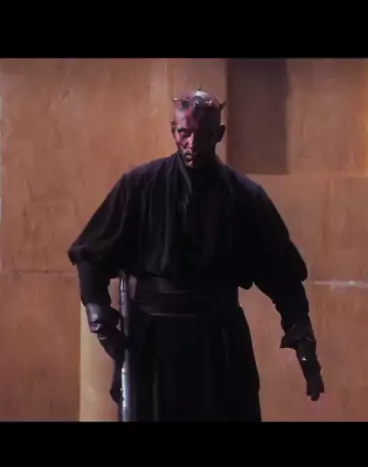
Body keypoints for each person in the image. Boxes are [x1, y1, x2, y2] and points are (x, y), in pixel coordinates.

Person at [67, 88, 324, 422]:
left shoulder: (245, 197)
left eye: (203, 135)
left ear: (219, 134)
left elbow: (283, 276)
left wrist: (305, 347)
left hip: (218, 341)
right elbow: (91, 253)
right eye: (184, 133)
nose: (192, 144)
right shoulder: (139, 186)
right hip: (154, 341)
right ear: (173, 130)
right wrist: (99, 315)